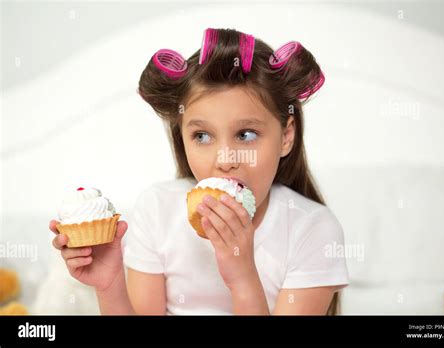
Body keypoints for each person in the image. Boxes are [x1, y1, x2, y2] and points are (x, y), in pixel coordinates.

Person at [50, 28, 349, 315]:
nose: (225, 159)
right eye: (202, 136)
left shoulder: (312, 229)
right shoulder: (158, 209)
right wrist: (111, 285)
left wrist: (243, 277)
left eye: (246, 134)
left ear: (286, 136)